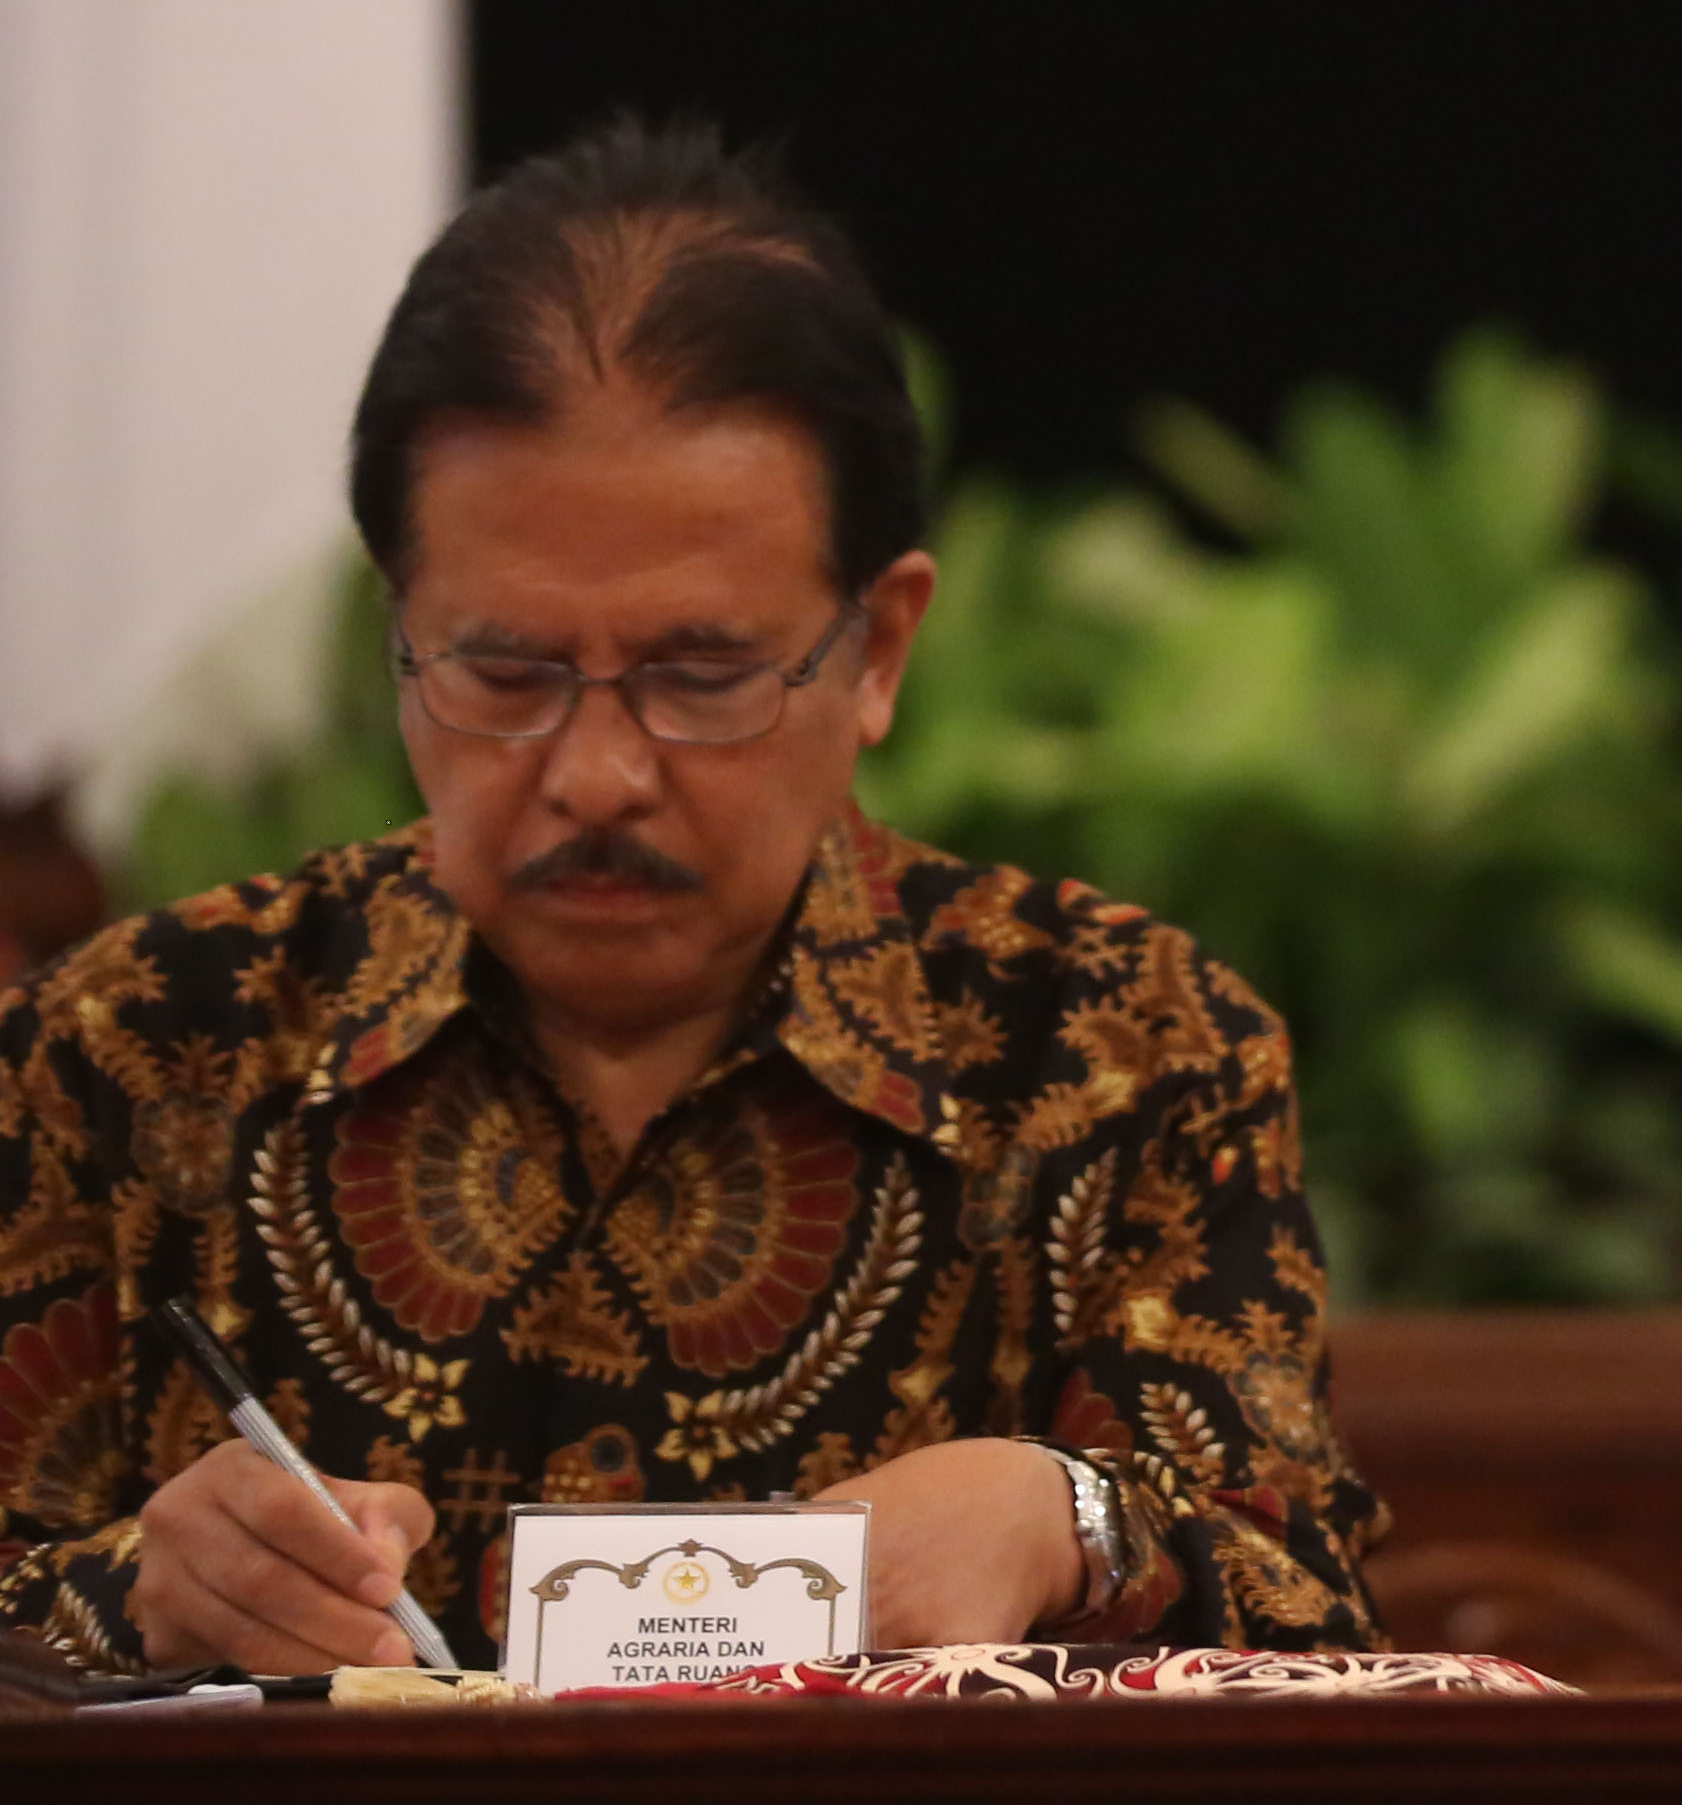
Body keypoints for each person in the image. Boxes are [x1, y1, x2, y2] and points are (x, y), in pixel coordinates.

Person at [0, 123, 1385, 1674]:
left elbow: (1307, 1613)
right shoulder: (131, 1048)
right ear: (397, 636)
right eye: (505, 672)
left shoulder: (1117, 1049)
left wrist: (1065, 1519)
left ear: (878, 651)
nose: (595, 774)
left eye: (702, 676)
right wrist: (144, 1595)